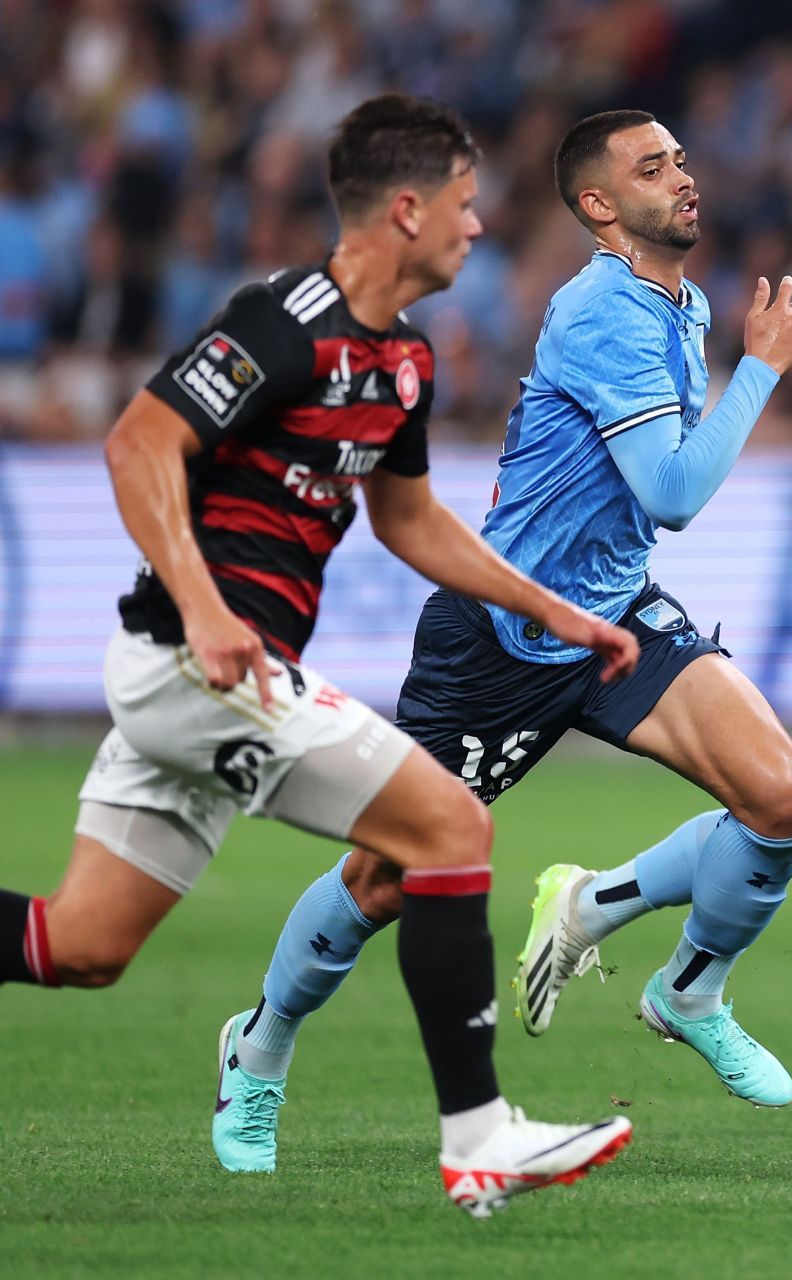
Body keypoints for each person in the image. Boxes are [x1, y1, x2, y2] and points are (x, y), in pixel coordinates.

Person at [0, 95, 641, 1217]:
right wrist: (204, 608)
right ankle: (481, 1136)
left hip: (208, 678)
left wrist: (561, 611)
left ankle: (472, 1131)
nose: (477, 226)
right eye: (462, 202)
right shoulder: (284, 318)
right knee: (450, 824)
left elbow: (411, 523)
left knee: (82, 943)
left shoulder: (400, 358)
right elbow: (139, 440)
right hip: (196, 665)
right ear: (405, 208)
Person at [206, 109, 792, 1175]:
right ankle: (257, 1047)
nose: (683, 176)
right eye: (652, 165)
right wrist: (760, 370)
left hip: (612, 612)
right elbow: (672, 492)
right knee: (383, 880)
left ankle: (684, 985)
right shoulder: (600, 312)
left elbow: (645, 507)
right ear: (596, 204)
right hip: (503, 630)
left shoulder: (684, 302)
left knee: (784, 799)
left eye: (681, 157)